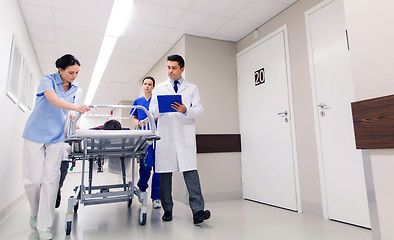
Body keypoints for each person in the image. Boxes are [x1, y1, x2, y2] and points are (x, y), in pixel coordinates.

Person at [22, 54, 90, 240]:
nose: (74, 76)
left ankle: (45, 225)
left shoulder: (77, 89)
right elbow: (53, 101)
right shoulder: (47, 81)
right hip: (35, 134)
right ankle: (34, 213)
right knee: (34, 180)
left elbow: (71, 113)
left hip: (57, 137)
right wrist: (76, 109)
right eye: (70, 72)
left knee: (51, 181)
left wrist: (74, 120)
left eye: (77, 72)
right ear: (60, 70)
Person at [149, 54, 210, 224]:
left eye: (173, 68)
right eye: (168, 67)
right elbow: (152, 111)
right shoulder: (160, 88)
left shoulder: (192, 88)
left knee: (191, 174)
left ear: (182, 69)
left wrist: (185, 110)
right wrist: (161, 108)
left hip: (185, 137)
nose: (170, 71)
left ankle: (198, 211)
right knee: (165, 176)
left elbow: (199, 110)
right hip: (166, 137)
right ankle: (167, 209)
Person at [131, 76, 161, 209]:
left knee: (159, 169)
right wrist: (137, 123)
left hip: (157, 137)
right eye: (145, 84)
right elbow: (134, 116)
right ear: (142, 86)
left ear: (153, 87)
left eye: (150, 84)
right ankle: (142, 188)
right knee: (146, 166)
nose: (147, 86)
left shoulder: (156, 101)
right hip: (144, 139)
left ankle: (156, 197)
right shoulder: (138, 101)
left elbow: (160, 115)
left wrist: (148, 120)